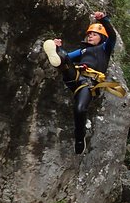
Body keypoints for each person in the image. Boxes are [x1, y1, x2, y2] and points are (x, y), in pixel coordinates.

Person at [42, 11, 125, 155]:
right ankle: (55, 52)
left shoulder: (105, 48)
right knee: (63, 57)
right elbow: (68, 57)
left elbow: (113, 36)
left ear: (102, 37)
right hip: (75, 77)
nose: (90, 36)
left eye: (94, 34)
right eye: (89, 34)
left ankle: (80, 138)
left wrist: (103, 19)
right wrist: (58, 48)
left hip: (89, 83)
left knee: (80, 109)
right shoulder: (83, 50)